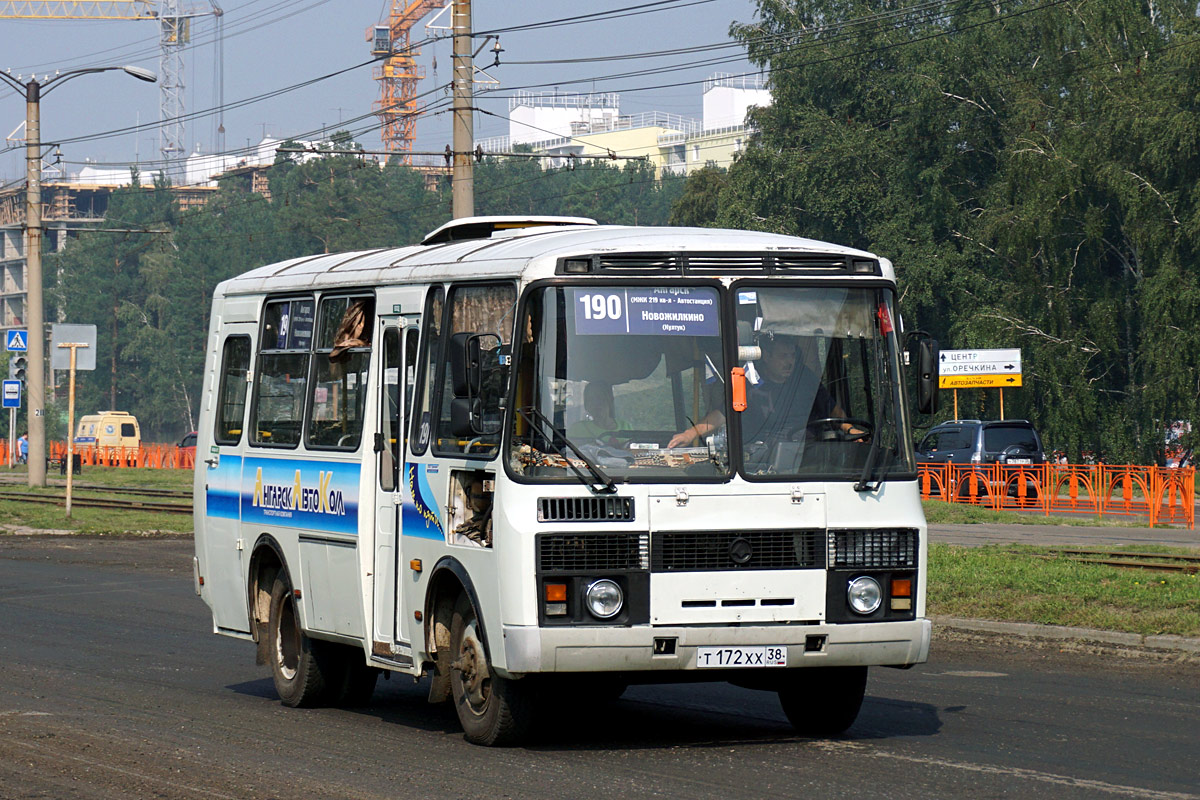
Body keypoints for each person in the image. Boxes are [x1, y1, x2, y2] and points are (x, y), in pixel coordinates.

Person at [668, 334, 863, 448]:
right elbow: (722, 414)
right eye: (783, 356)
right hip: (763, 457)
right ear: (766, 357)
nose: (789, 362)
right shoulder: (749, 381)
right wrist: (691, 433)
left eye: (792, 356)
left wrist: (851, 430)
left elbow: (831, 409)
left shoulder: (804, 378)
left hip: (806, 453)